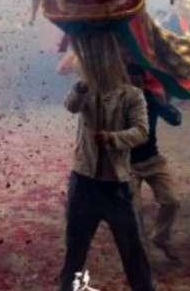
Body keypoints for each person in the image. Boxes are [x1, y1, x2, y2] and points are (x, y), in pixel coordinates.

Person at [58, 31, 155, 291]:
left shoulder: (132, 95)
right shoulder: (85, 89)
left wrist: (113, 139)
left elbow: (141, 132)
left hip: (116, 187)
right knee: (75, 250)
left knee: (133, 251)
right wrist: (82, 86)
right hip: (83, 182)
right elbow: (70, 106)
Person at [127, 66, 183, 262]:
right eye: (132, 80)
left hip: (153, 159)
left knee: (172, 200)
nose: (136, 84)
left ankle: (161, 237)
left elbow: (175, 119)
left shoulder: (150, 97)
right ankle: (138, 251)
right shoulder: (118, 101)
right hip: (127, 164)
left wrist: (164, 104)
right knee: (133, 210)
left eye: (139, 80)